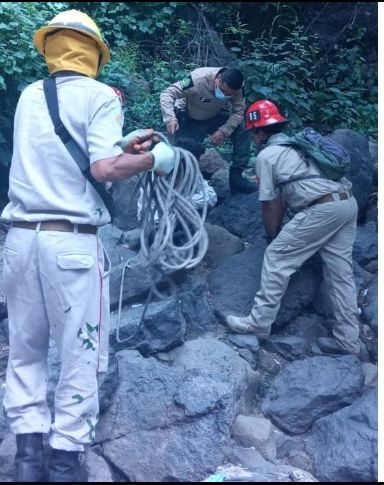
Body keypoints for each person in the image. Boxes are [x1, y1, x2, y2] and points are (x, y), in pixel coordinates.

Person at [2, 10, 177, 482]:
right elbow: (101, 169)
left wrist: (124, 148)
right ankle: (63, 459)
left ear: (51, 48)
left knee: (25, 348)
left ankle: (27, 457)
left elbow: (64, 152)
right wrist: (155, 159)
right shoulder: (101, 96)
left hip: (19, 242)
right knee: (80, 352)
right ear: (96, 53)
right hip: (71, 247)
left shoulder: (28, 96)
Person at [223, 100, 360, 355]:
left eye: (253, 132)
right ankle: (349, 341)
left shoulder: (267, 156)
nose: (253, 138)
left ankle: (258, 324)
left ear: (261, 132)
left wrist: (272, 237)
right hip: (346, 203)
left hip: (322, 209)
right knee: (341, 274)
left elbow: (269, 204)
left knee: (276, 257)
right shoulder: (300, 145)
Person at [159, 66, 257, 193]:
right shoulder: (197, 79)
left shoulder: (238, 87)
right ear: (218, 78)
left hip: (214, 115)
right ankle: (178, 184)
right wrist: (170, 118)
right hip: (189, 116)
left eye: (229, 95)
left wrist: (224, 130)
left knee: (242, 128)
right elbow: (168, 93)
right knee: (186, 154)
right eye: (222, 90)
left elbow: (238, 112)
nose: (225, 95)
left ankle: (236, 177)